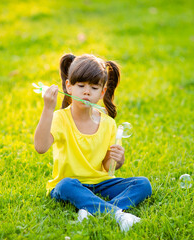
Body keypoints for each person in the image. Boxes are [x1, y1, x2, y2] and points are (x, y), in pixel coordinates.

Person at [34, 53, 152, 232]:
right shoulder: (60, 118)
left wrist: (117, 161)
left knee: (143, 184)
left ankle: (90, 208)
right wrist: (48, 109)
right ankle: (118, 214)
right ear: (69, 87)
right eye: (81, 86)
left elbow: (107, 167)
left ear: (102, 92)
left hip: (100, 184)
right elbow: (40, 148)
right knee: (65, 185)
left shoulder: (108, 123)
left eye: (94, 87)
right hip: (71, 185)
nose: (87, 92)